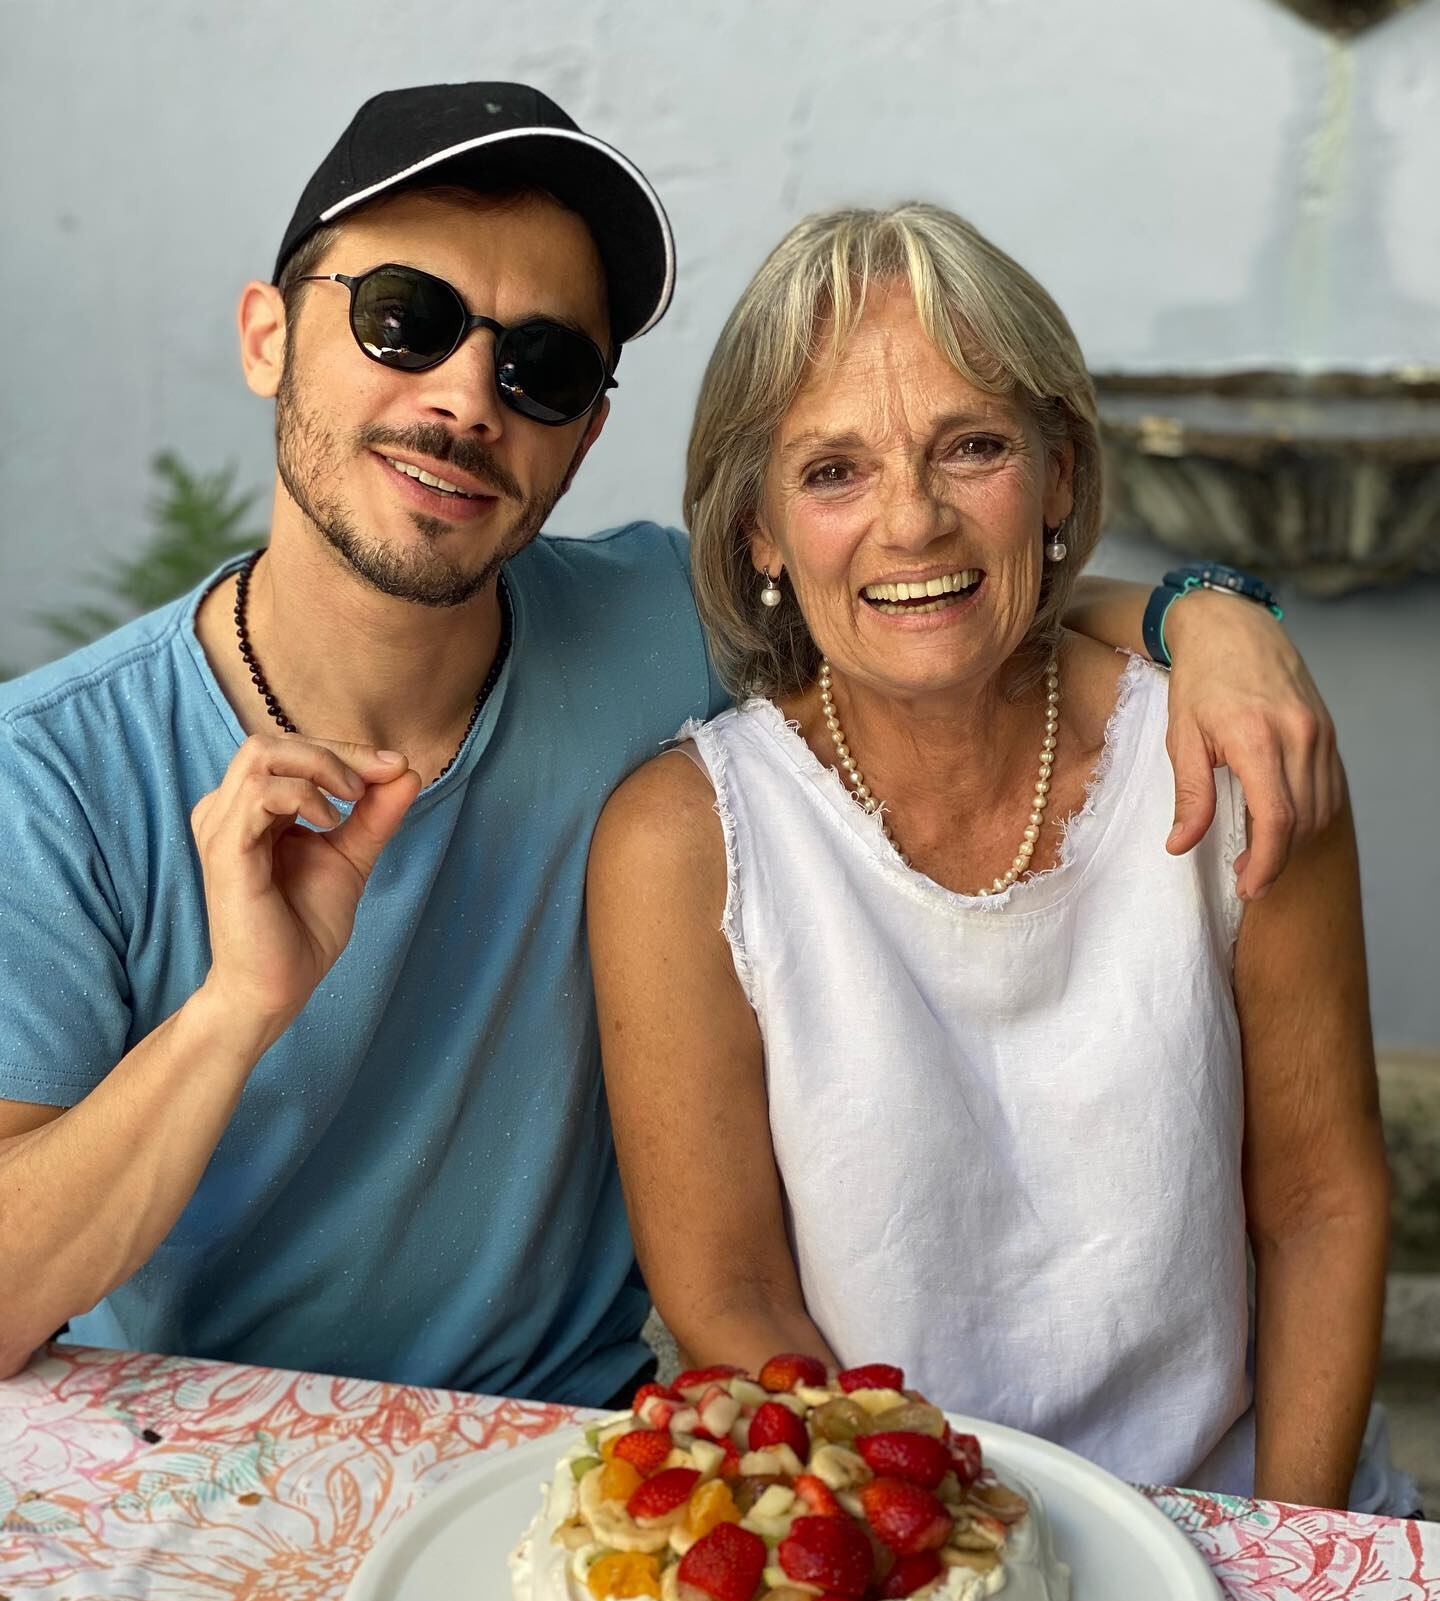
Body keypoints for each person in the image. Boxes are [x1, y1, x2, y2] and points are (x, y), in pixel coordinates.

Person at [0, 86, 1344, 1411]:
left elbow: (928, 593)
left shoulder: (655, 630)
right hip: (188, 1450)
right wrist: (235, 1010)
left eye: (543, 364)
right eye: (401, 322)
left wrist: (1206, 611)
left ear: (584, 433)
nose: (468, 397)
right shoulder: (54, 773)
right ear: (266, 334)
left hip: (551, 1449)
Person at [586, 201, 1412, 1513]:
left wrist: (1283, 1552)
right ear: (759, 533)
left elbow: (1318, 1203)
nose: (912, 521)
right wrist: (949, 1557)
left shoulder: (1235, 751)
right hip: (893, 1529)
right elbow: (729, 1291)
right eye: (833, 472)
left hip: (1248, 1508)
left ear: (1060, 476)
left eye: (971, 447)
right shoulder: (685, 842)